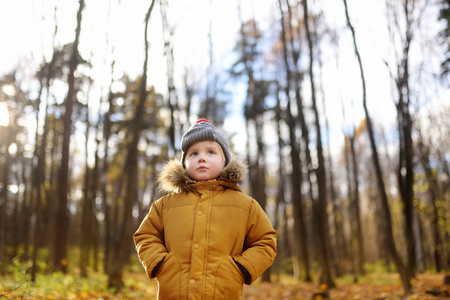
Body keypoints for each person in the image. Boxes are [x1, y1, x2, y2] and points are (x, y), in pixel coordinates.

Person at [134, 119, 277, 300]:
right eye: (193, 154)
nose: (202, 158)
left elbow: (266, 241)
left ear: (224, 161)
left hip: (223, 293)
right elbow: (146, 235)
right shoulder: (164, 205)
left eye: (211, 152)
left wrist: (241, 268)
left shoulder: (245, 205)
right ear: (184, 163)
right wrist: (161, 263)